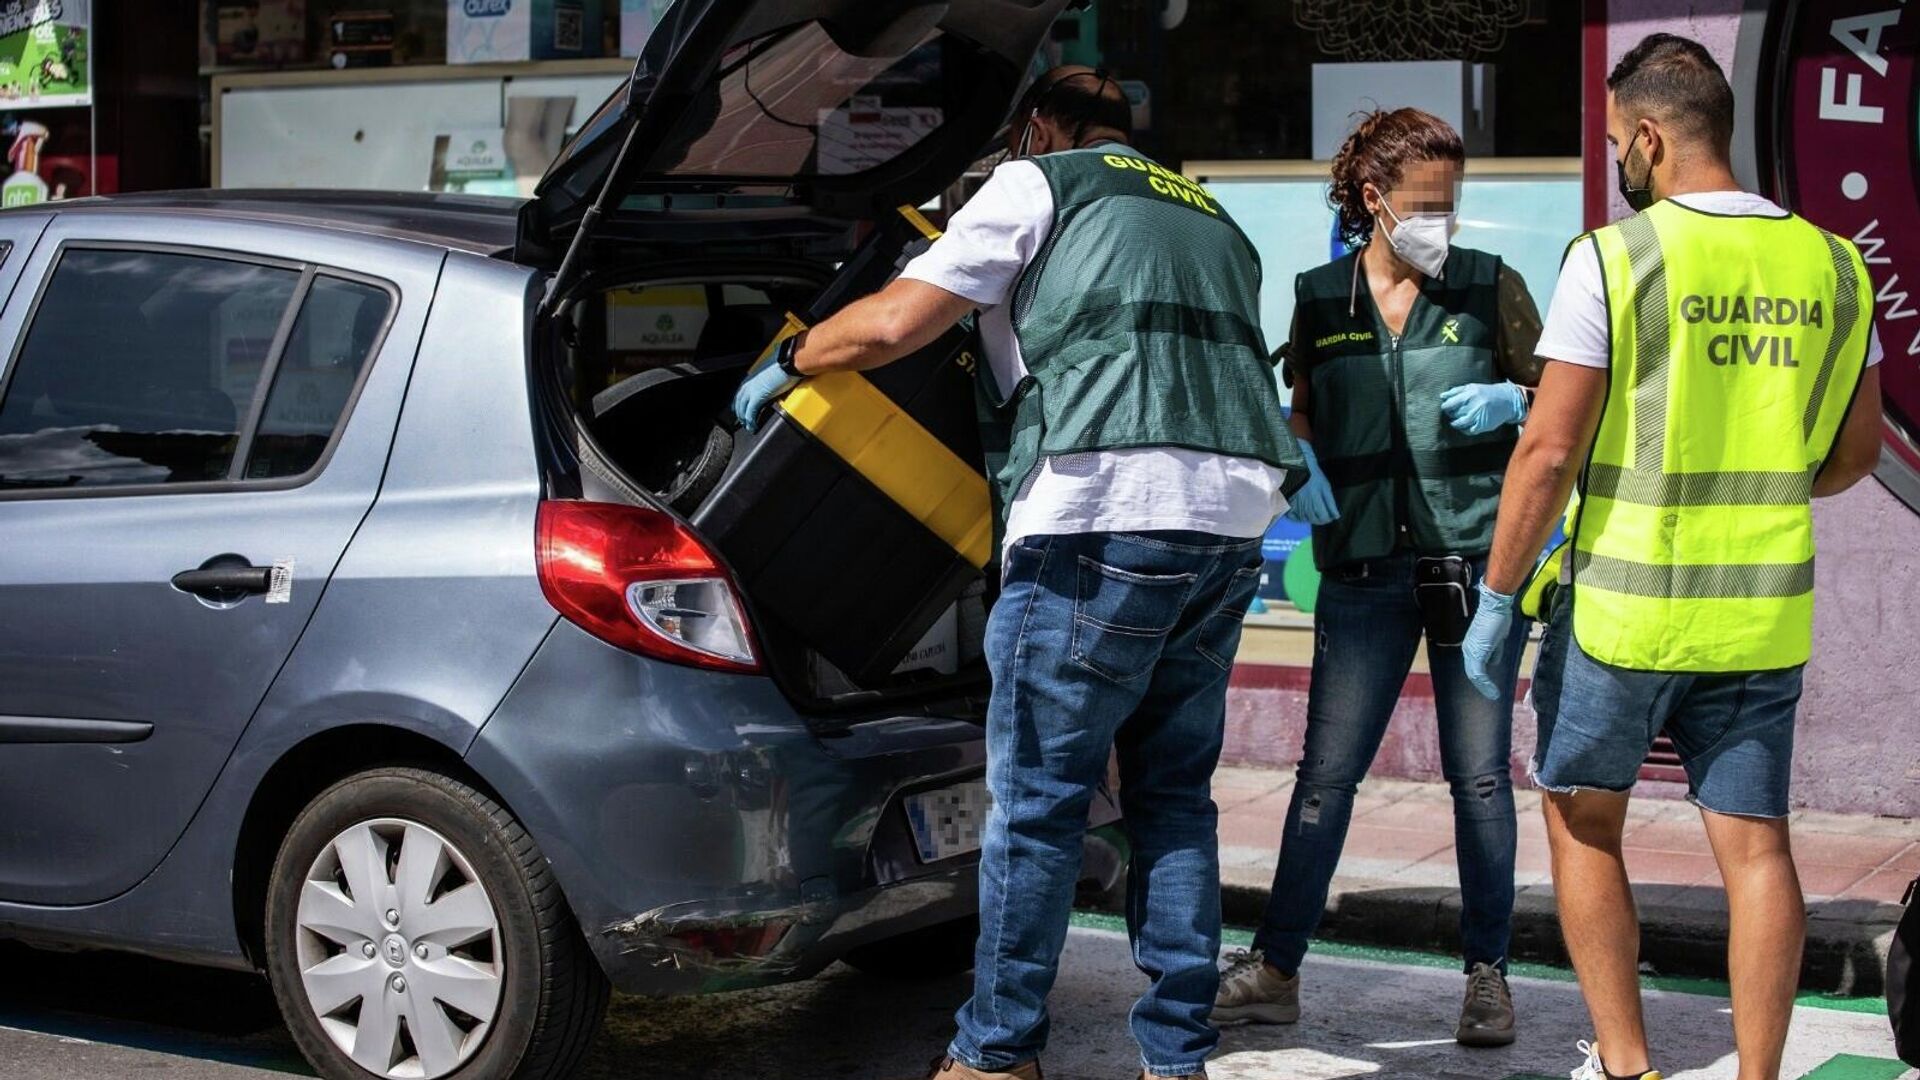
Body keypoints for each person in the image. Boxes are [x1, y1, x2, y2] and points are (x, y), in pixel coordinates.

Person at [733, 67, 1304, 1080]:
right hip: (1230, 522)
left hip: (1098, 512)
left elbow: (896, 323)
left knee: (1039, 803)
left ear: (1039, 126)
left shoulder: (1038, 183)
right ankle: (1176, 1056)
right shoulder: (1211, 213)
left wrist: (792, 356)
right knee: (1174, 797)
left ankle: (995, 1054)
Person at [1459, 34, 1884, 1080]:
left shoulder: (1615, 257)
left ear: (1649, 137)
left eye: (1617, 142)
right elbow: (1855, 455)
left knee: (1583, 823)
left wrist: (1498, 595)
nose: (1618, 160)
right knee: (1758, 846)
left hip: (1623, 612)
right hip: (1762, 615)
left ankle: (1630, 1067)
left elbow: (1548, 451)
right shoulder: (1836, 265)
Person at [1212, 107, 1542, 1049]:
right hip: (1360, 570)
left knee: (1480, 780)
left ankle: (1488, 978)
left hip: (1471, 568)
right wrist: (1297, 458)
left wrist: (1515, 400)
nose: (1444, 222)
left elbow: (1564, 397)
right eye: (1427, 204)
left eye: (1451, 202)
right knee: (1325, 779)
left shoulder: (1489, 285)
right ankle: (1276, 971)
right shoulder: (1322, 298)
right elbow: (1301, 409)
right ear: (1374, 198)